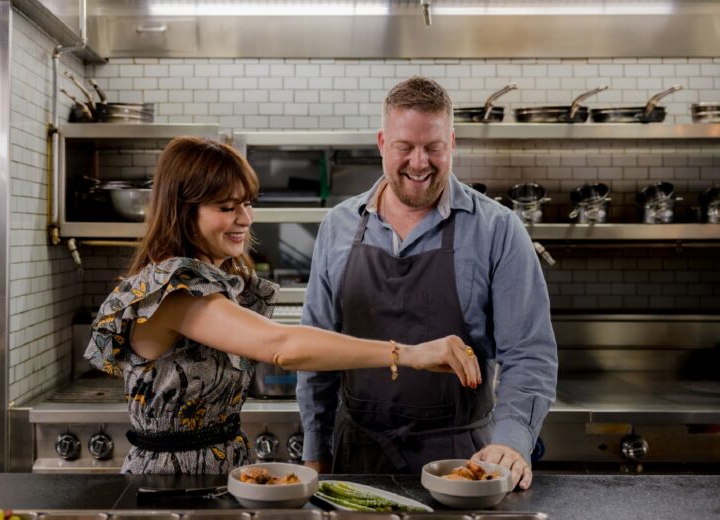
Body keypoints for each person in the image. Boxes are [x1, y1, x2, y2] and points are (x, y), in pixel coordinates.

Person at [84, 136, 482, 475]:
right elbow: (283, 347)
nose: (245, 219)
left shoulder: (216, 282)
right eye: (226, 208)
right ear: (183, 212)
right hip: (166, 486)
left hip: (219, 477)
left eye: (247, 203)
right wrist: (409, 353)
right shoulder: (173, 290)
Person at [296, 76, 558, 489]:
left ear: (452, 143)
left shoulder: (498, 229)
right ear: (382, 143)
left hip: (461, 459)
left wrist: (510, 442)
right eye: (405, 147)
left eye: (433, 147)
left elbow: (529, 353)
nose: (419, 162)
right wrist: (316, 451)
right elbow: (317, 351)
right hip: (358, 456)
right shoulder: (339, 227)